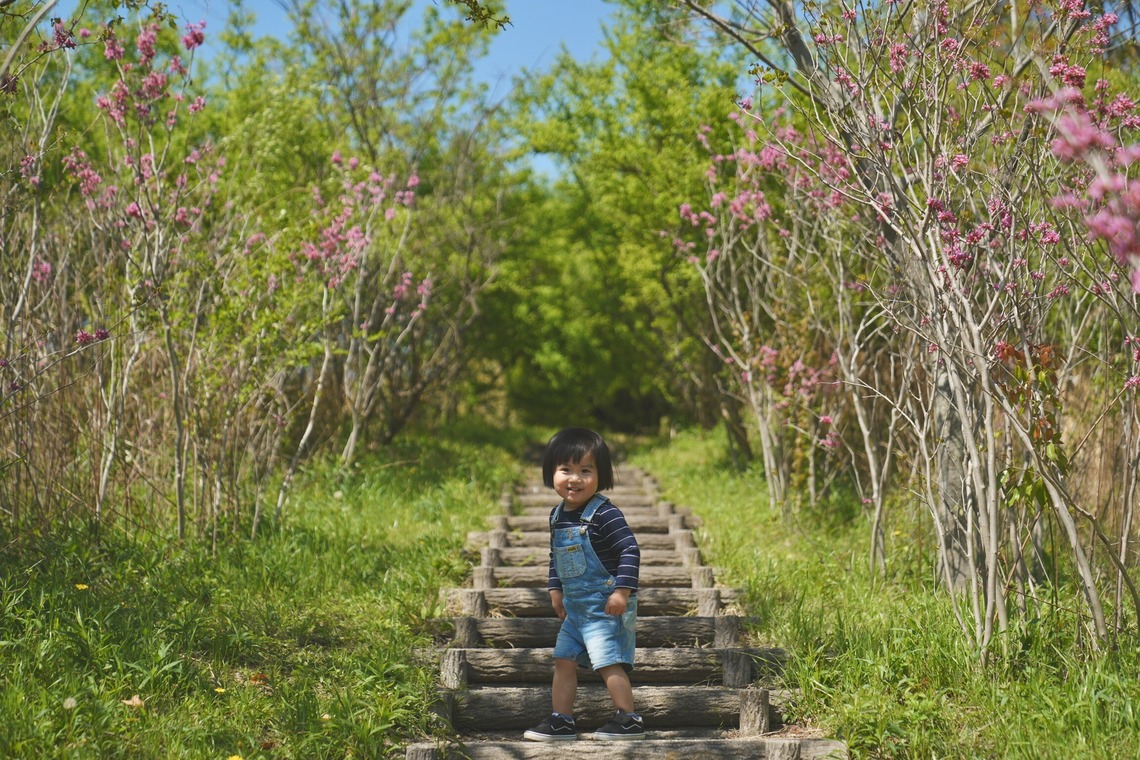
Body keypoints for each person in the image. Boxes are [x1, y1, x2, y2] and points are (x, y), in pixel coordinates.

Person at [522, 427, 645, 742]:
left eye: (585, 471)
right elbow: (556, 557)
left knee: (607, 661)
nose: (574, 478)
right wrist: (555, 589)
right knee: (563, 660)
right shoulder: (557, 516)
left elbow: (629, 550)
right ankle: (561, 719)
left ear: (600, 476)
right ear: (552, 473)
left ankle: (628, 718)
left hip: (605, 606)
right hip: (576, 609)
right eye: (566, 470)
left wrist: (622, 591)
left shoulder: (606, 514)